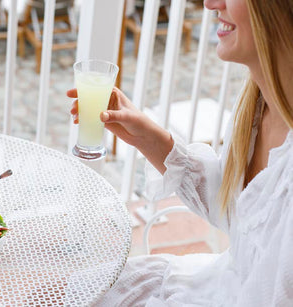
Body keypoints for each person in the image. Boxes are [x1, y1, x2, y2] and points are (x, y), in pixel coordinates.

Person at [68, 0, 292, 305]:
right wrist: (150, 138)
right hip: (217, 284)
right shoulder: (257, 106)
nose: (211, 3)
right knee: (78, 290)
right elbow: (237, 212)